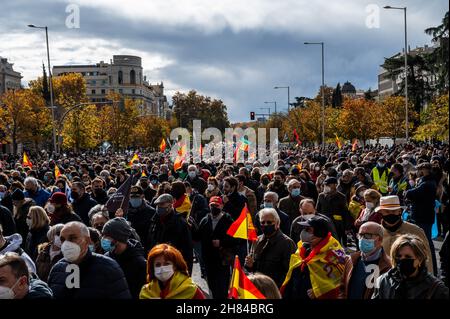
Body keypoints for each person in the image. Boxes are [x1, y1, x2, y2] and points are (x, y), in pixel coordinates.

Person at [48, 221, 131, 299]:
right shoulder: (57, 269)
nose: (66, 244)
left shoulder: (108, 268)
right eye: (62, 240)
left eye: (72, 238)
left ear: (87, 241)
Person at [281, 216, 346, 299]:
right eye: (304, 229)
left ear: (319, 232)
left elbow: (338, 282)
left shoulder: (334, 253)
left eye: (308, 229)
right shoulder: (303, 249)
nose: (303, 232)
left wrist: (319, 292)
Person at [372, 234, 449, 299]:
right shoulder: (383, 281)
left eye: (408, 257)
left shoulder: (436, 289)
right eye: (398, 256)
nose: (402, 260)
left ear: (420, 259)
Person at [376, 195, 434, 273]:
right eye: (387, 211)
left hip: (411, 280)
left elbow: (427, 259)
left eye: (394, 211)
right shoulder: (376, 232)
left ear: (400, 211)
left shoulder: (415, 231)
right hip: (383, 280)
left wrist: (428, 282)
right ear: (381, 212)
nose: (391, 214)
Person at [194, 196, 236, 299]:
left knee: (222, 288)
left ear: (221, 206)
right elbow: (197, 237)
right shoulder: (205, 220)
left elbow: (236, 239)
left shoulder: (228, 220)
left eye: (216, 205)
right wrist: (192, 227)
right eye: (212, 205)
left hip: (222, 261)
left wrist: (221, 242)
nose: (214, 207)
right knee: (212, 287)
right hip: (209, 261)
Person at [245, 208, 296, 287]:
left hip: (276, 290)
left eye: (269, 222)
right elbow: (252, 268)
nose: (265, 225)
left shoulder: (287, 243)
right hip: (258, 287)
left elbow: (290, 273)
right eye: (262, 222)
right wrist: (250, 265)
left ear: (277, 223)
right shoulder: (256, 240)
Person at [340, 222, 391, 299]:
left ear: (380, 239)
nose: (362, 239)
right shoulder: (352, 260)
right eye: (360, 235)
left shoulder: (388, 266)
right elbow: (342, 288)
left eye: (367, 235)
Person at [404, 162, 438, 275]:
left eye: (419, 170)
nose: (417, 172)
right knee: (423, 241)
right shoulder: (427, 182)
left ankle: (431, 267)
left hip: (423, 217)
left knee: (426, 242)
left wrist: (408, 191)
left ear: (424, 170)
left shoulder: (427, 183)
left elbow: (411, 193)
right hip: (423, 216)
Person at [147, 194, 193, 274]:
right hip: (158, 266)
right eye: (157, 205)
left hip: (174, 265)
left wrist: (187, 271)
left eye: (162, 205)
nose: (159, 208)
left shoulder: (180, 223)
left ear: (170, 205)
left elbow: (187, 249)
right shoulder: (154, 221)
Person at [102, 217, 147, 299]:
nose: (103, 239)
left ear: (117, 238)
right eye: (103, 235)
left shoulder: (139, 264)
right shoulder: (106, 258)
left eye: (107, 236)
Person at [139, 244, 205, 299]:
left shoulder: (189, 288)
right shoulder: (146, 292)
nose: (162, 268)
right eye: (158, 265)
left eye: (166, 264)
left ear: (175, 266)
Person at [316, 177, 350, 246]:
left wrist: (347, 227)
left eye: (328, 185)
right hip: (323, 223)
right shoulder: (321, 196)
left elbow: (345, 212)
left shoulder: (341, 197)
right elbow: (317, 210)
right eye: (325, 185)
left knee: (336, 244)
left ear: (335, 185)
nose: (326, 187)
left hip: (337, 225)